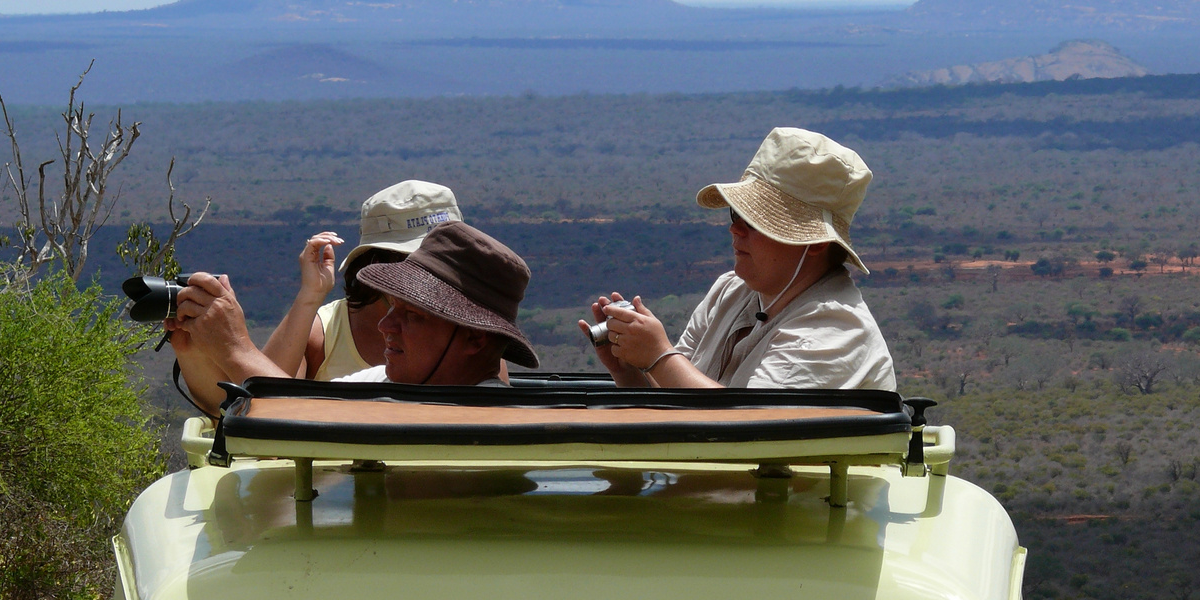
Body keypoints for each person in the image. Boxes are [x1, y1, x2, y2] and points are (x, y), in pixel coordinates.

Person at [582, 127, 895, 390]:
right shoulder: (731, 290)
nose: (735, 229)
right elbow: (678, 402)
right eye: (737, 213)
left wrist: (660, 356)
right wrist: (629, 370)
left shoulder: (833, 329)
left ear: (813, 243)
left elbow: (748, 425)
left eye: (755, 221)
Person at [167, 222, 538, 412]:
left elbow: (294, 426)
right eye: (390, 307)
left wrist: (234, 345)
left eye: (411, 315)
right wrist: (197, 351)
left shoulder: (473, 416)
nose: (385, 325)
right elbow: (303, 405)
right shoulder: (390, 382)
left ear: (475, 338)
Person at [262, 180, 463, 380]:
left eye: (444, 257)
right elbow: (261, 396)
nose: (434, 271)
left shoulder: (473, 329)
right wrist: (310, 296)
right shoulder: (324, 334)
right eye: (415, 261)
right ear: (376, 261)